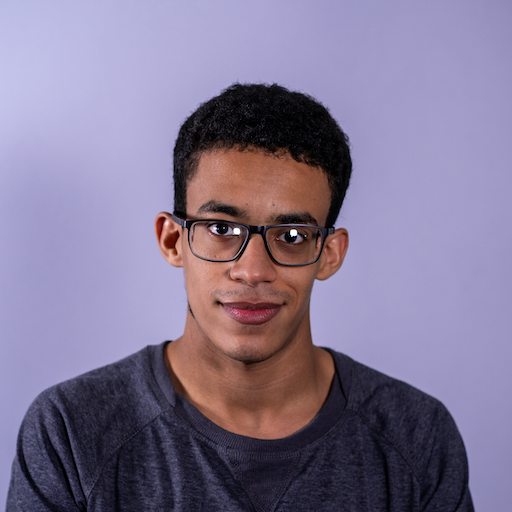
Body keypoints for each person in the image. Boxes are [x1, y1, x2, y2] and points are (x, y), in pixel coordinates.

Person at [7, 83, 474, 511]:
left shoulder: (418, 436)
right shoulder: (69, 430)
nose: (253, 271)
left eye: (292, 235)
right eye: (221, 229)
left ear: (329, 254)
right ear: (173, 241)